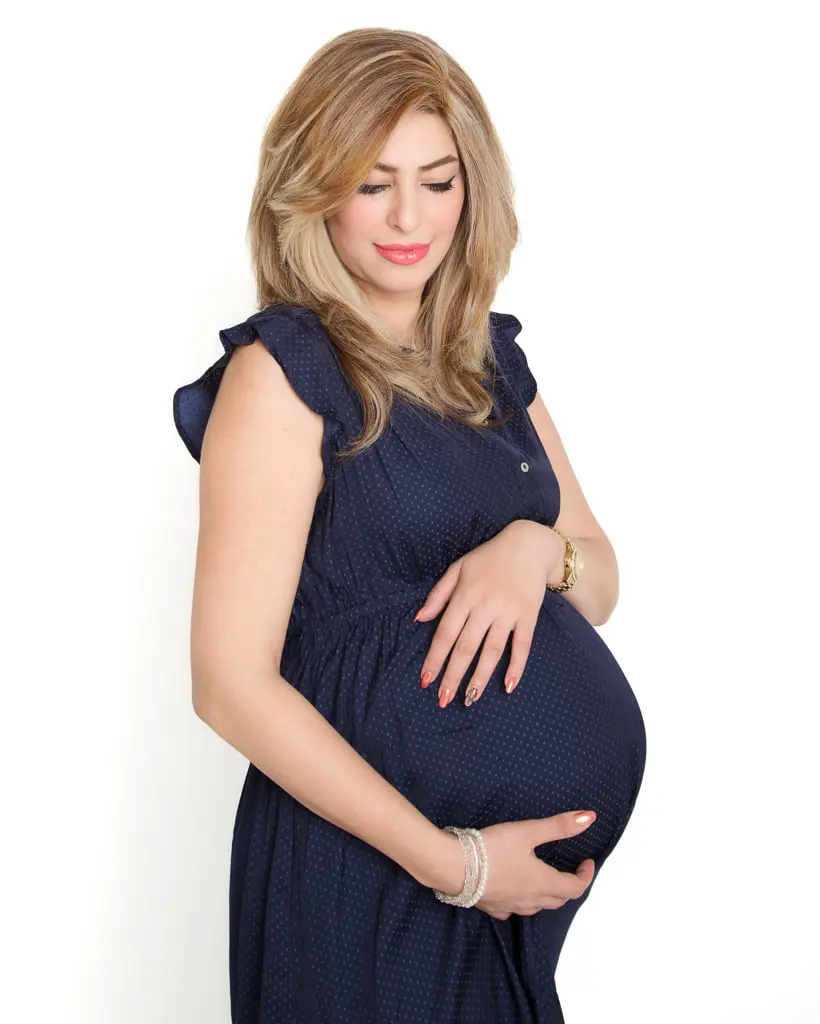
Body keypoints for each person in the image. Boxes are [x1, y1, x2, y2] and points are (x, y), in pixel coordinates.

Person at [172, 26, 646, 1024]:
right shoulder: (284, 371)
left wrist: (534, 550)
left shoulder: (486, 360)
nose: (407, 218)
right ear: (313, 186)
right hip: (373, 868)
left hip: (498, 901)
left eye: (437, 181)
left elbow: (599, 580)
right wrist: (458, 862)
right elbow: (229, 684)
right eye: (372, 179)